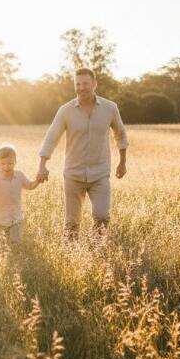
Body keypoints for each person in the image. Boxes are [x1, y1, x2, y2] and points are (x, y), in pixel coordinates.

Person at [37, 68, 128, 239]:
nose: (81, 88)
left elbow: (120, 135)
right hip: (73, 174)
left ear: (94, 84)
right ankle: (73, 256)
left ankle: (95, 251)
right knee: (72, 223)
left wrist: (122, 162)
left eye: (86, 83)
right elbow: (51, 138)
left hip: (100, 173)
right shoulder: (65, 110)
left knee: (102, 217)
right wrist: (42, 165)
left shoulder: (110, 108)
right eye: (77, 84)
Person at [0, 145, 41, 244]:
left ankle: (16, 256)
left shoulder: (19, 176)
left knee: (15, 243)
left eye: (10, 163)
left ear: (15, 162)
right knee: (2, 245)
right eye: (2, 163)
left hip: (16, 218)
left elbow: (30, 186)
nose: (6, 166)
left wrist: (37, 181)